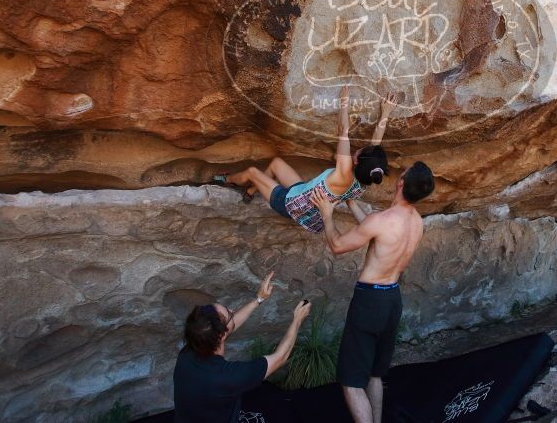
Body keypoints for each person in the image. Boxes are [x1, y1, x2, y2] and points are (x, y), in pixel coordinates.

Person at [311, 161, 435, 423]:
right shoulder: (416, 221)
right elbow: (376, 232)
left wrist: (326, 212)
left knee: (351, 380)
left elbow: (338, 246)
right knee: (375, 374)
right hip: (392, 299)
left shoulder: (382, 221)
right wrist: (349, 201)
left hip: (370, 302)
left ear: (401, 183)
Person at [212, 86, 398, 233]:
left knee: (252, 171)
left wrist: (344, 103)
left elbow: (343, 131)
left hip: (287, 204)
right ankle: (252, 190)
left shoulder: (344, 169)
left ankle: (226, 179)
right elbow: (374, 149)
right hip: (304, 200)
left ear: (358, 160)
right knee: (276, 164)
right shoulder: (364, 182)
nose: (358, 150)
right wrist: (386, 114)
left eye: (360, 151)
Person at [173, 272, 311, 423]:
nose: (232, 310)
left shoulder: (188, 351)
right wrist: (297, 320)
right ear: (220, 336)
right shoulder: (228, 376)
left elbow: (227, 328)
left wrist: (259, 299)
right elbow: (280, 357)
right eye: (229, 314)